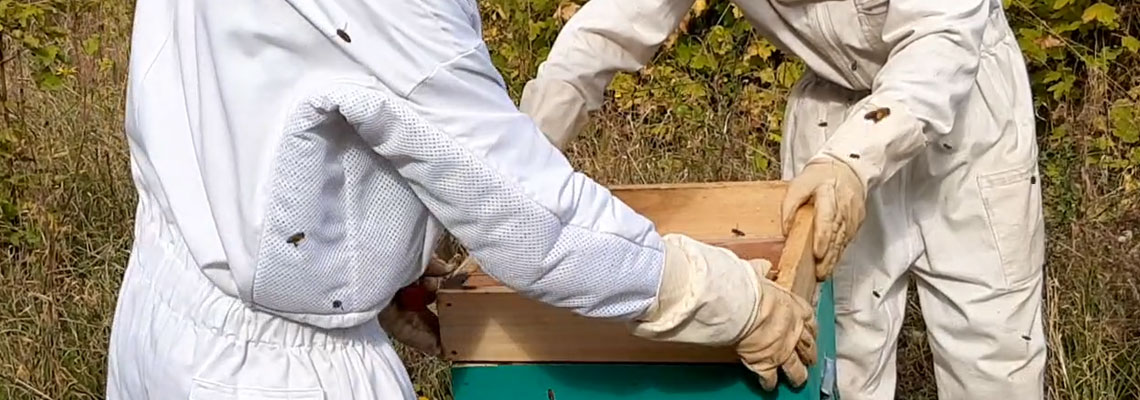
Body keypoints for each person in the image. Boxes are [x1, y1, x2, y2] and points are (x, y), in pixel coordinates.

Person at [104, 0, 817, 398]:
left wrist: (373, 257)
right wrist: (730, 301)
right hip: (276, 377)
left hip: (165, 312)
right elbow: (534, 221)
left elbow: (253, 107)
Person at [519, 0, 1047, 399]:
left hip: (964, 121)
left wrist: (854, 162)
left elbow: (944, 38)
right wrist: (518, 171)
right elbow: (599, 36)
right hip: (831, 112)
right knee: (842, 353)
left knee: (995, 356)